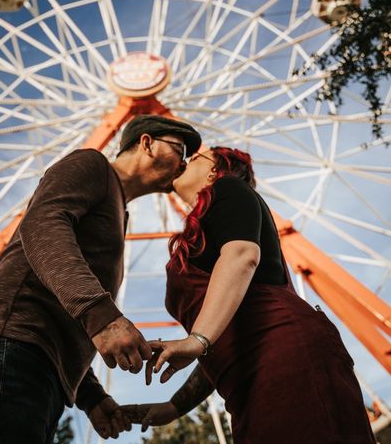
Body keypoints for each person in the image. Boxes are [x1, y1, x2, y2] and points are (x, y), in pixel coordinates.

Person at [0, 114, 202, 444]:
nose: (184, 164)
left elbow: (62, 310)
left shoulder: (119, 211)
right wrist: (102, 317)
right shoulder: (91, 164)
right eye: (180, 150)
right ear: (146, 143)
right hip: (8, 350)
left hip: (35, 366)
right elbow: (42, 225)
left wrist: (91, 396)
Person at [122, 147, 376, 444]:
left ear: (215, 170)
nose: (184, 162)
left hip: (286, 355)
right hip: (247, 379)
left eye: (194, 159)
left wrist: (197, 339)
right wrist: (174, 406)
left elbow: (242, 256)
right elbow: (221, 336)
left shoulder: (228, 188)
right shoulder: (207, 223)